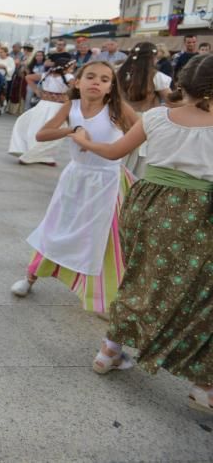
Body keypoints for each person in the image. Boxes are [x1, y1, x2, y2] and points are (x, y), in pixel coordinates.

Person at [69, 54, 212, 414]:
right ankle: (203, 383)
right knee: (200, 294)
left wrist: (84, 142)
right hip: (198, 213)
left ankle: (109, 351)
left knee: (138, 277)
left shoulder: (156, 117)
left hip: (148, 204)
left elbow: (115, 152)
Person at [9, 61, 136, 314]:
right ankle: (31, 275)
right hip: (76, 178)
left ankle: (102, 297)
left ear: (111, 87)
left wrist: (123, 151)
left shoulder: (117, 108)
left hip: (108, 182)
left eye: (103, 79)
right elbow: (42, 135)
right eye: (90, 77)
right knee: (56, 227)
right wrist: (72, 130)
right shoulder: (72, 106)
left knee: (104, 238)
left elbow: (141, 132)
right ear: (77, 82)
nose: (96, 82)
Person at [116, 42, 173, 177]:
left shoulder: (120, 72)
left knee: (121, 157)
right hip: (146, 122)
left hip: (121, 120)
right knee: (140, 165)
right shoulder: (156, 77)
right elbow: (173, 101)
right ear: (152, 57)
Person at [8, 53, 74, 165]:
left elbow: (28, 77)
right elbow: (75, 91)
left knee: (36, 128)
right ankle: (35, 155)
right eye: (72, 67)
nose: (72, 69)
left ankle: (42, 156)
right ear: (66, 67)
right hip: (57, 108)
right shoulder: (69, 77)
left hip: (43, 105)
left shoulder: (47, 75)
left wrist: (37, 91)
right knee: (55, 131)